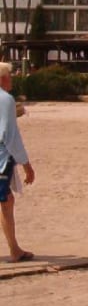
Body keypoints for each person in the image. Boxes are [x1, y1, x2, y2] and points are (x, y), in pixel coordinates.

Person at [1, 61, 36, 263]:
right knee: (5, 201)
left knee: (7, 200)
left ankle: (15, 248)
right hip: (1, 158)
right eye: (10, 76)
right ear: (3, 79)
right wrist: (27, 165)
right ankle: (14, 250)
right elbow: (10, 136)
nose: (12, 79)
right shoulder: (6, 99)